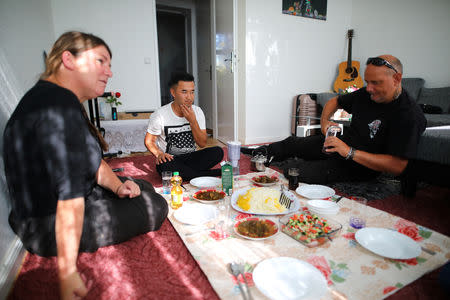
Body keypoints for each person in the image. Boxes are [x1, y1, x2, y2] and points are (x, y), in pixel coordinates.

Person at [3, 31, 168, 299]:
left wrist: (117, 187)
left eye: (109, 64)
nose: (109, 72)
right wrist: (67, 272)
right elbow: (70, 195)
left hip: (41, 213)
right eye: (101, 61)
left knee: (140, 185)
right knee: (156, 205)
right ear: (68, 59)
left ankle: (125, 191)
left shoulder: (51, 97)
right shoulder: (58, 107)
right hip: (47, 226)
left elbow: (92, 162)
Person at [244, 55, 426, 184]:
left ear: (397, 78)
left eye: (376, 83)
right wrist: (324, 124)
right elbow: (334, 101)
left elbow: (397, 166)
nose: (369, 88)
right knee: (292, 142)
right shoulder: (366, 94)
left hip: (360, 165)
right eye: (367, 81)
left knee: (295, 171)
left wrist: (349, 152)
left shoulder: (408, 114)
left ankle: (295, 162)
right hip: (337, 144)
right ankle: (258, 152)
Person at [145, 71, 224, 181]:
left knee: (218, 152)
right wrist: (159, 154)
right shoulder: (160, 114)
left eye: (192, 92)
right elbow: (149, 141)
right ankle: (207, 173)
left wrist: (193, 121)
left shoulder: (197, 111)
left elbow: (202, 143)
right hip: (171, 160)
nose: (189, 97)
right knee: (163, 166)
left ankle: (187, 174)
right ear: (173, 92)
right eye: (184, 92)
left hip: (192, 157)